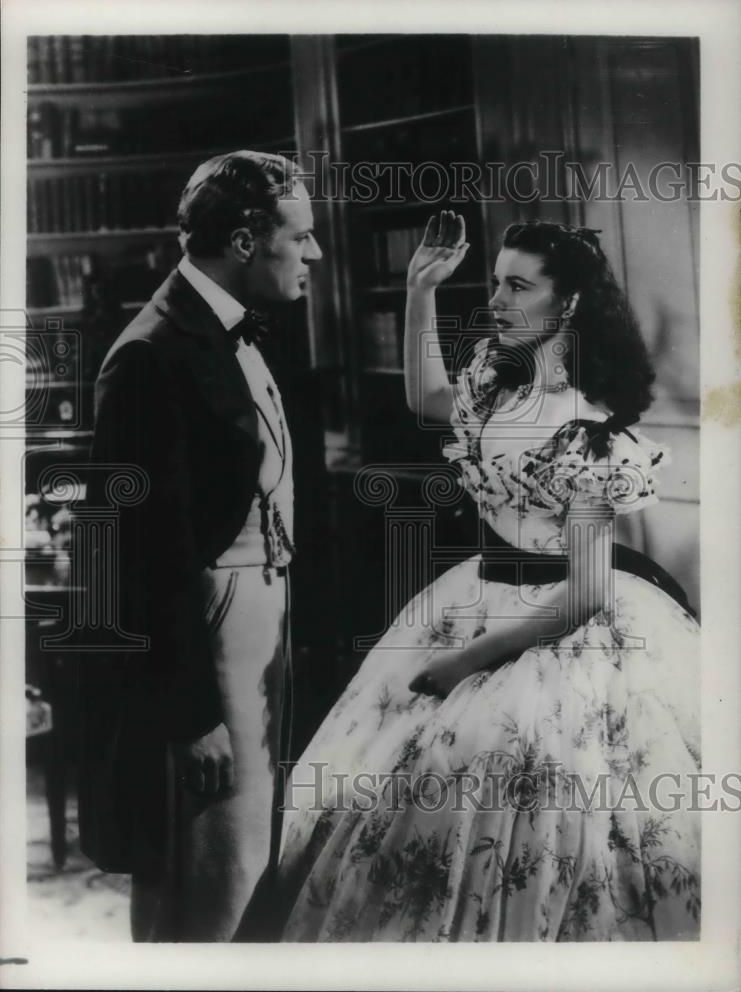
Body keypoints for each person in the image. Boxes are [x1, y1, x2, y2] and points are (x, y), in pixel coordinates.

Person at [275, 215, 700, 942]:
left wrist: (464, 662)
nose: (497, 300)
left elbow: (587, 594)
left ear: (564, 305)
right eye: (495, 282)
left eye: (517, 286)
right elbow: (424, 403)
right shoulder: (495, 387)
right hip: (473, 596)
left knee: (528, 795)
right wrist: (420, 292)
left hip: (557, 631)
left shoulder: (585, 431)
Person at [77, 150, 322, 941]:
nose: (314, 255)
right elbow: (136, 555)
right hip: (209, 641)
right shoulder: (151, 354)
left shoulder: (236, 329)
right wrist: (189, 714)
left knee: (250, 855)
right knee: (212, 868)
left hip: (258, 626)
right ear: (247, 240)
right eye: (302, 236)